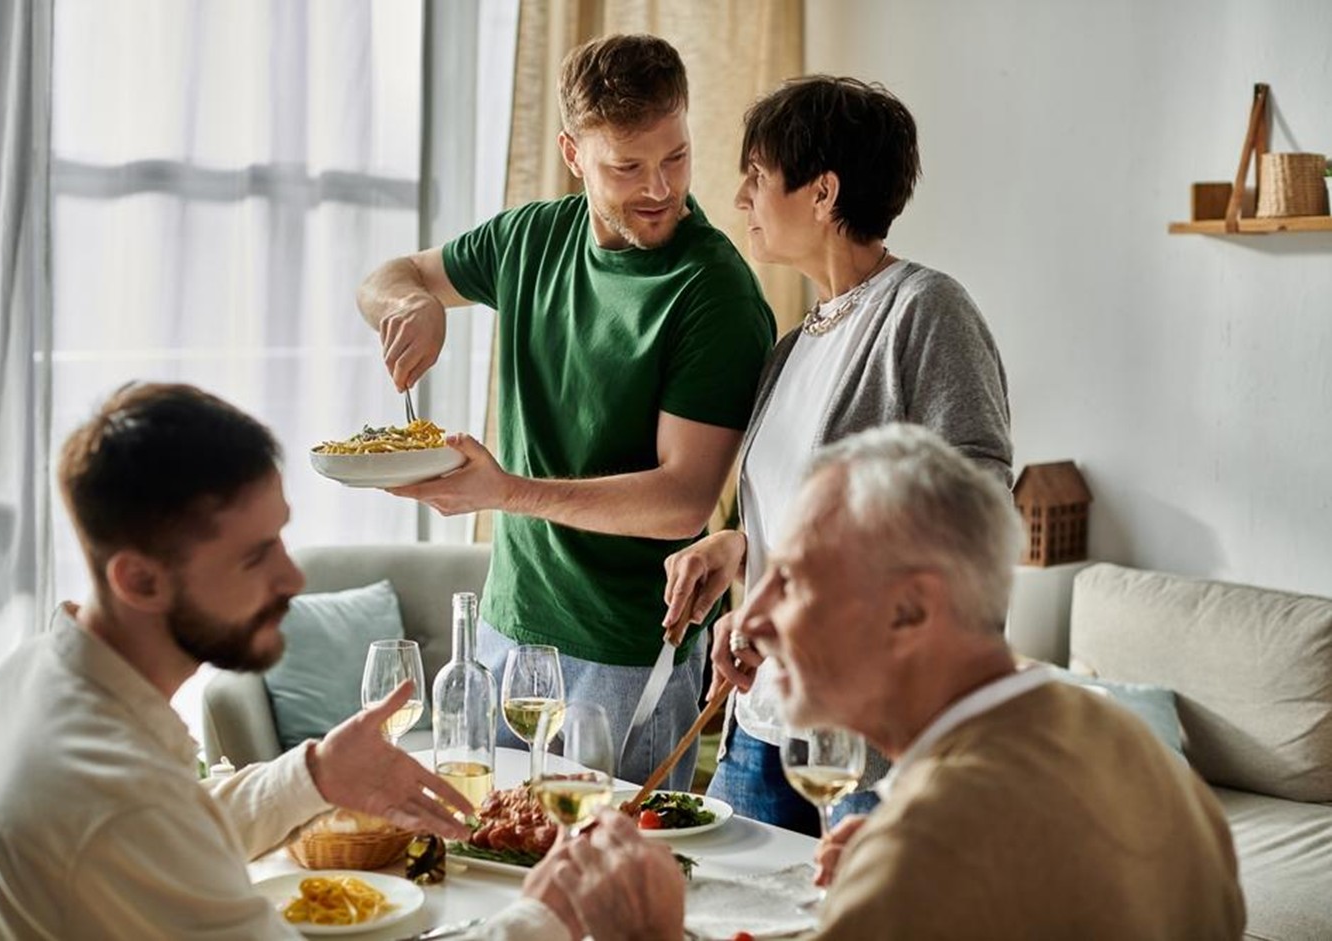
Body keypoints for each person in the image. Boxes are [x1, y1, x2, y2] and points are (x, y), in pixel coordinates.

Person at [507, 424, 1246, 940]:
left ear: (911, 607)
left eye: (788, 581)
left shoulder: (926, 849)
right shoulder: (1142, 751)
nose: (748, 618)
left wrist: (644, 935)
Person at [355, 34, 776, 787]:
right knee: (482, 861)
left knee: (607, 889)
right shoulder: (530, 239)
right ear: (573, 153)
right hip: (504, 627)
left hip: (620, 655)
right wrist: (415, 302)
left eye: (675, 157)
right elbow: (388, 276)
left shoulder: (713, 291)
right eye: (628, 166)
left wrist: (505, 491)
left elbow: (683, 502)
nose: (660, 188)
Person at [0, 383, 480, 940]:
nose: (293, 579)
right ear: (139, 580)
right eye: (256, 555)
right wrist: (544, 920)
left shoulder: (31, 675)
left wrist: (315, 774)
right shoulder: (113, 796)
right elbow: (141, 824)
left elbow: (167, 833)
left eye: (280, 538)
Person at [661, 75, 1012, 833]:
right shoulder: (793, 345)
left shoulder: (927, 312)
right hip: (762, 722)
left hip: (867, 743)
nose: (741, 199)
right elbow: (813, 512)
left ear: (822, 193)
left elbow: (974, 529)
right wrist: (745, 564)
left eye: (757, 177)